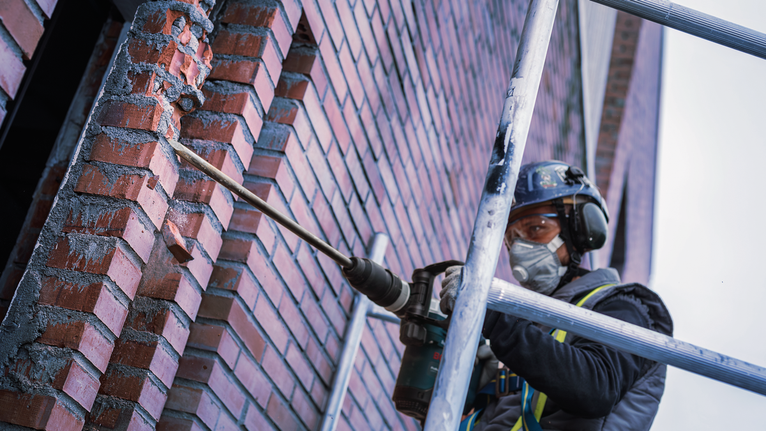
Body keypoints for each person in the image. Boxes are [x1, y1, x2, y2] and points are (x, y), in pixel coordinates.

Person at [440, 161, 673, 431]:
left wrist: (492, 316)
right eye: (512, 238)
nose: (519, 249)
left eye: (535, 228)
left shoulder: (627, 308)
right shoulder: (533, 333)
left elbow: (595, 389)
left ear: (580, 229)